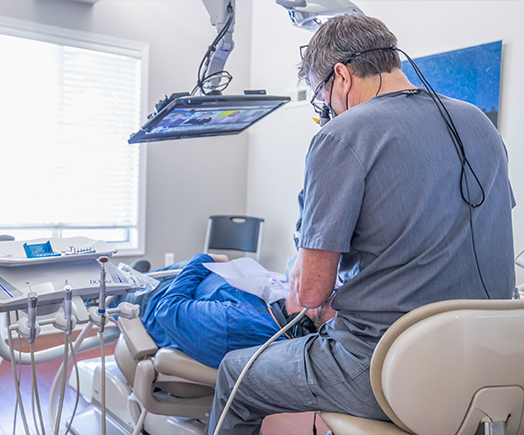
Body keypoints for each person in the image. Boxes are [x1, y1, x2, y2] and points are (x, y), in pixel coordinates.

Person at [203, 14, 515, 435]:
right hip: (491, 360)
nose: (327, 107)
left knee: (235, 373)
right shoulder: (478, 122)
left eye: (323, 95)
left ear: (342, 77)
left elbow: (310, 292)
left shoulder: (342, 135)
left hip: (387, 365)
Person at [122, 253, 333, 369]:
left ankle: (124, 283)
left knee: (123, 287)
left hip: (156, 299)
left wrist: (203, 260)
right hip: (202, 281)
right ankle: (140, 272)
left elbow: (167, 309)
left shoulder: (235, 322)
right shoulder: (279, 308)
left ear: (311, 305)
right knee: (169, 269)